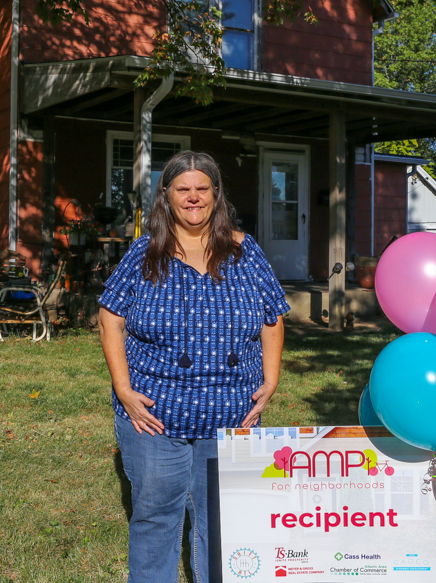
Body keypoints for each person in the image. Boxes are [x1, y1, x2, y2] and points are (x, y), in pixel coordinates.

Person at [98, 150, 289, 583]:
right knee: (156, 518)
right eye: (183, 189)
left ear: (216, 194)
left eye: (202, 188)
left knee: (221, 521)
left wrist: (271, 379)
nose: (193, 198)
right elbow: (110, 316)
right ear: (166, 196)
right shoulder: (146, 252)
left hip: (231, 415)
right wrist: (124, 389)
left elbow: (273, 316)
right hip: (154, 417)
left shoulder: (244, 250)